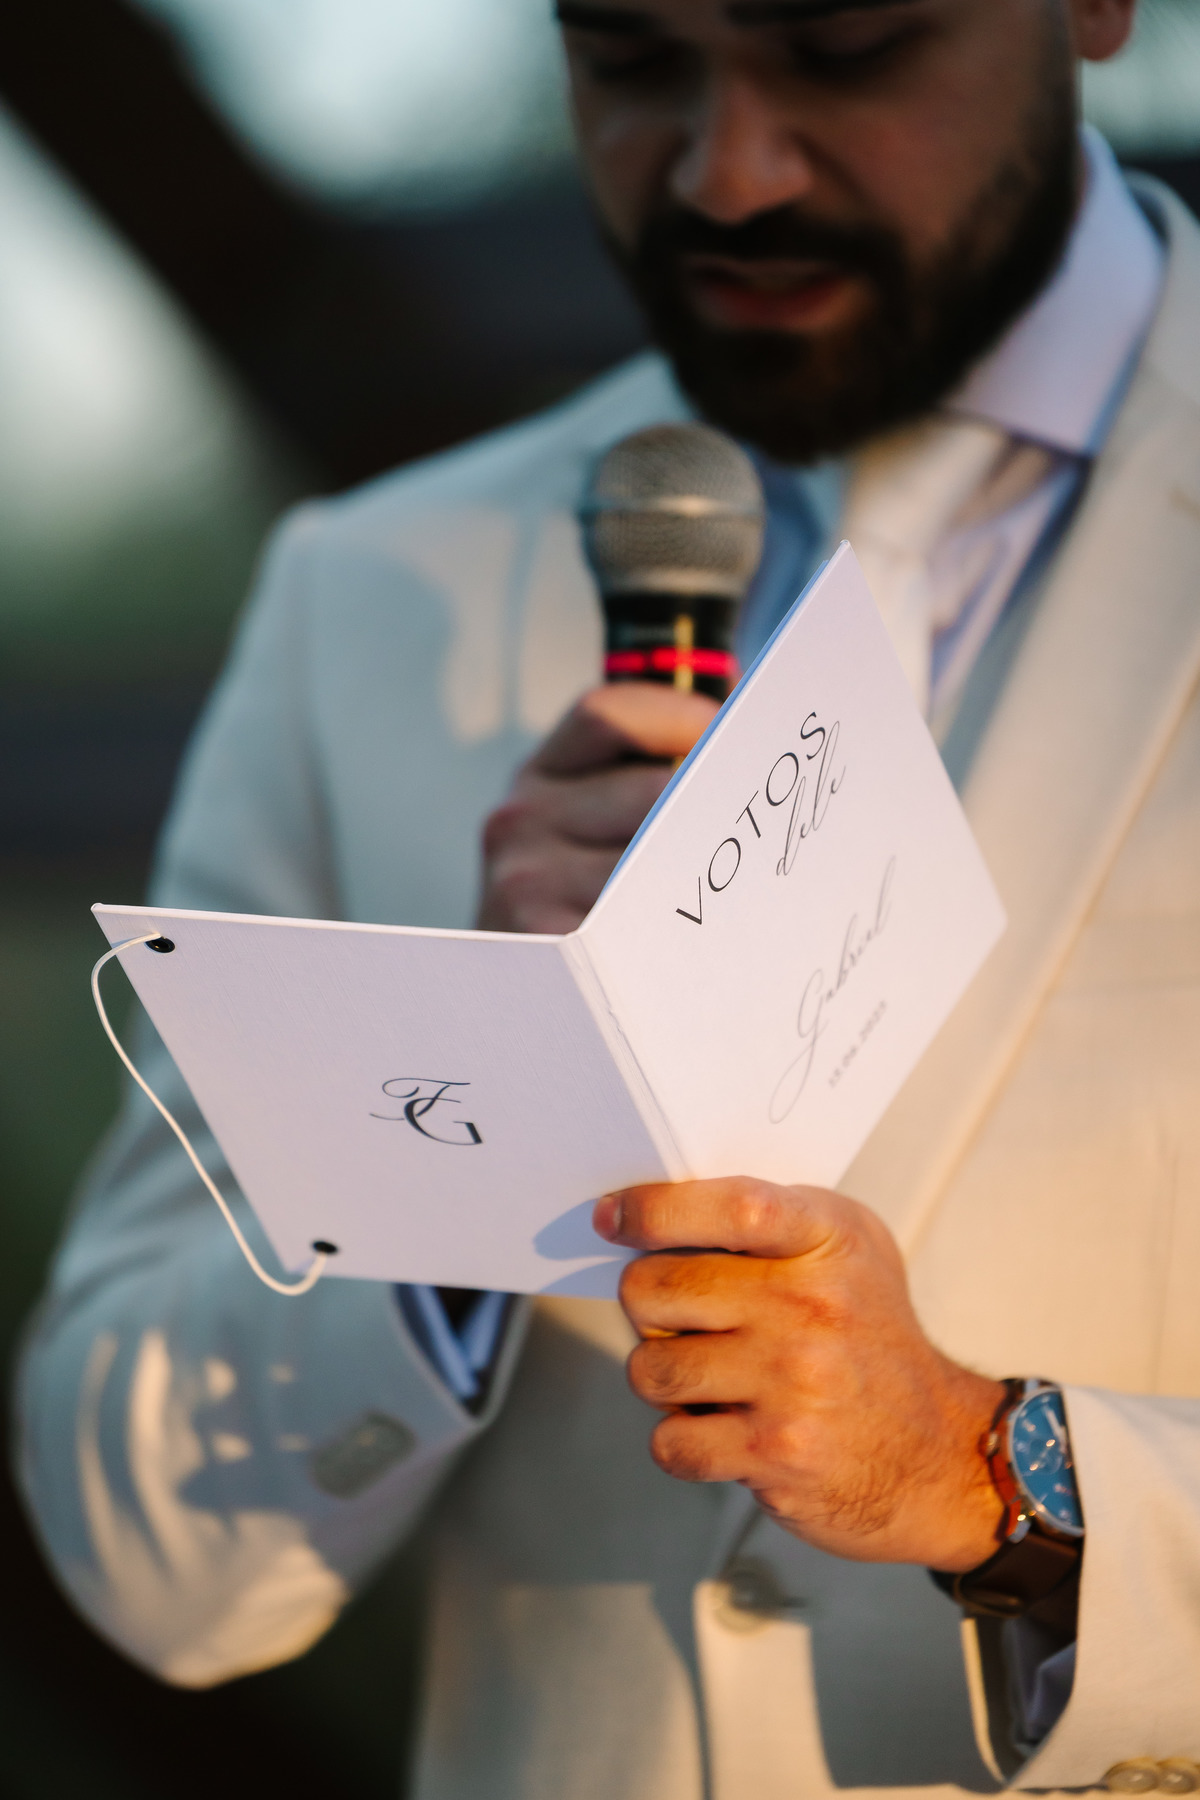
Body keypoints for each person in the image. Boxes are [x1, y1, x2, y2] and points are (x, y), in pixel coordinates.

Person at [17, 0, 1200, 1792]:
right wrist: (461, 1129)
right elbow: (141, 1548)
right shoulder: (370, 589)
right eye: (633, 60)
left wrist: (995, 1474)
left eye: (848, 44)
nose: (727, 169)